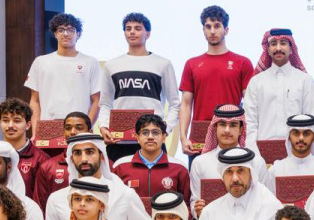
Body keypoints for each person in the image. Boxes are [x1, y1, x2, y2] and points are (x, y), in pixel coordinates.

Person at [98, 12, 180, 160]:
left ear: (147, 34)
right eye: (128, 28)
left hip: (152, 139)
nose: (132, 32)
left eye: (137, 28)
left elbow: (175, 104)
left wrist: (165, 130)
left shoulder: (163, 64)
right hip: (118, 140)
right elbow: (105, 103)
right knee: (116, 182)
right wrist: (103, 127)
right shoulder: (112, 65)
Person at [178, 6, 254, 157]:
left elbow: (250, 105)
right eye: (208, 26)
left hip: (231, 136)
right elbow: (186, 104)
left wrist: (249, 138)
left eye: (217, 26)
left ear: (226, 30)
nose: (212, 31)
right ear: (203, 30)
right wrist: (183, 137)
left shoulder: (242, 63)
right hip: (199, 141)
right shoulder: (191, 64)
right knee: (201, 181)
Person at [243, 29, 314, 148]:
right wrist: (252, 151)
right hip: (262, 149)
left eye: (283, 43)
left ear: (291, 49)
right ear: (268, 50)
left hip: (298, 150)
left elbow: (312, 118)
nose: (278, 48)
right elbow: (250, 122)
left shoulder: (304, 80)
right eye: (273, 44)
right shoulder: (256, 82)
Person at [25, 12, 101, 135]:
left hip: (79, 129)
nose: (65, 34)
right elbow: (35, 101)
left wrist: (87, 128)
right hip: (48, 128)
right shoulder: (40, 62)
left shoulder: (90, 62)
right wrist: (35, 131)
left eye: (71, 30)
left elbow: (97, 100)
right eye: (61, 30)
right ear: (55, 34)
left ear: (78, 34)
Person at [189, 104, 272, 215]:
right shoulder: (200, 163)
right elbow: (195, 201)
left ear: (241, 129)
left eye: (233, 125)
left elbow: (266, 201)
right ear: (215, 127)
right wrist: (197, 211)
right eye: (222, 124)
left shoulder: (257, 162)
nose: (227, 130)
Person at [111, 114, 191, 208]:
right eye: (145, 133)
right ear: (137, 137)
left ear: (164, 137)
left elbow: (186, 205)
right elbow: (113, 201)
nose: (150, 137)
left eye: (155, 132)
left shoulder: (179, 167)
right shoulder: (120, 166)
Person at [33, 111, 93, 211]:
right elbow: (40, 206)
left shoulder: (103, 164)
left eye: (79, 128)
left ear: (90, 132)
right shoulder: (48, 167)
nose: (73, 132)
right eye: (68, 128)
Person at [0, 97, 53, 206]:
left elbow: (43, 200)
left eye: (17, 121)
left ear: (28, 125)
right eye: (5, 120)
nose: (10, 125)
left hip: (29, 219)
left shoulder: (41, 159)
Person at [268, 114, 314, 178]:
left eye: (306, 133)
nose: (301, 138)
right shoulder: (277, 170)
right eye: (296, 133)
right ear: (289, 137)